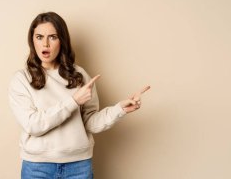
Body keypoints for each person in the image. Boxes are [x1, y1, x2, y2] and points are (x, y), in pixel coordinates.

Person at [8, 11, 150, 179]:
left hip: (78, 167)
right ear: (32, 41)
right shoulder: (22, 79)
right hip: (37, 167)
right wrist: (73, 101)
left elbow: (89, 123)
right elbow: (33, 125)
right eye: (39, 37)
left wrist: (119, 109)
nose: (45, 43)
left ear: (62, 40)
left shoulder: (79, 75)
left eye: (52, 37)